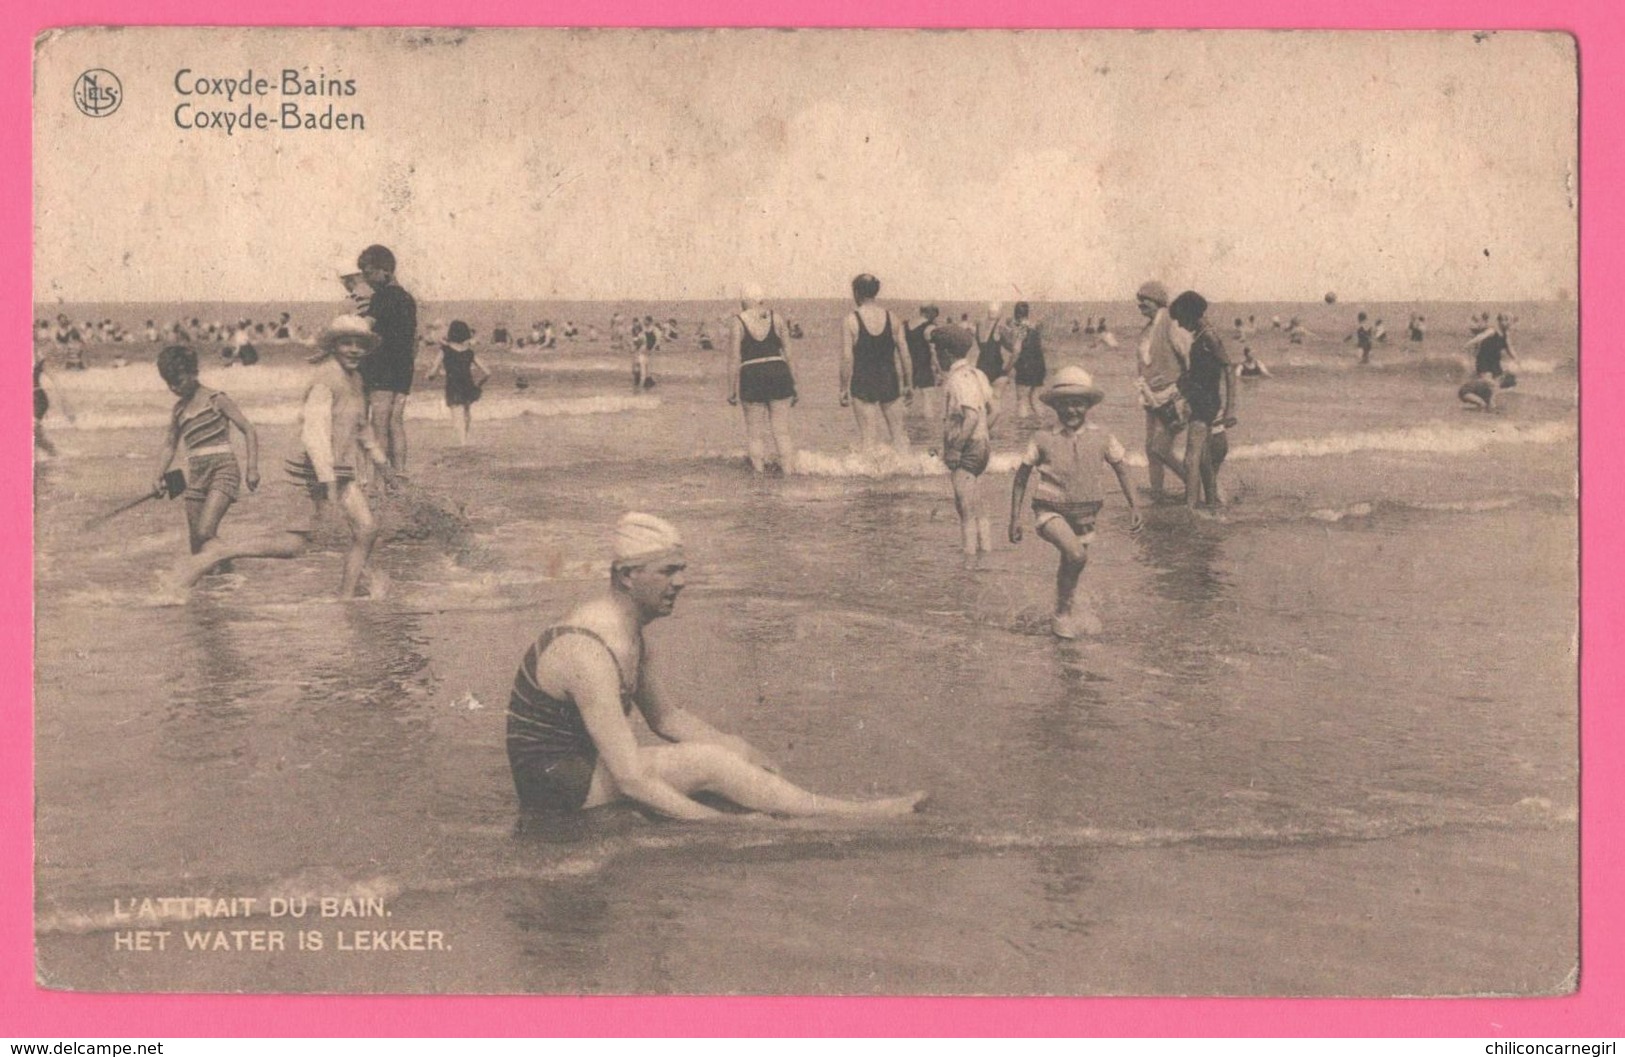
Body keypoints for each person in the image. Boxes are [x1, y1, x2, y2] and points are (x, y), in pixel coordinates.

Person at [505, 513, 927, 819]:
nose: (681, 583)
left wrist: (738, 748)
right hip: (555, 791)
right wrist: (724, 828)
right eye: (668, 571)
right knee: (709, 767)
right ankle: (856, 815)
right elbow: (631, 778)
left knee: (728, 757)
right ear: (628, 576)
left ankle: (816, 810)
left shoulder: (630, 635)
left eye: (682, 570)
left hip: (581, 774)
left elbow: (667, 717)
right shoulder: (588, 649)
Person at [168, 316, 400, 597]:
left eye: (359, 344)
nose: (353, 350)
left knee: (364, 529)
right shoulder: (326, 379)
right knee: (301, 543)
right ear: (334, 346)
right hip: (317, 469)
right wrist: (326, 485)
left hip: (338, 469)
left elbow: (362, 428)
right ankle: (222, 551)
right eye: (346, 343)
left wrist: (384, 467)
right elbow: (314, 436)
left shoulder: (355, 378)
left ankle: (346, 596)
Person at [1009, 367, 1141, 639]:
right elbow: (1021, 478)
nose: (1072, 410)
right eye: (1065, 403)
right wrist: (1015, 518)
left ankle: (1064, 608)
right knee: (1076, 556)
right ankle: (1061, 614)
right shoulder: (1042, 437)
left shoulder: (1103, 436)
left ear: (1088, 405)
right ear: (1055, 405)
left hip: (1085, 514)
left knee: (1071, 563)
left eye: (1078, 403)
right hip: (1049, 510)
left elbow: (1122, 469)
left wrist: (1135, 506)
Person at [151, 345, 261, 557]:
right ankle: (218, 583)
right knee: (196, 545)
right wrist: (158, 476)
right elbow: (170, 445)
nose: (174, 388)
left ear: (194, 373)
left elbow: (248, 429)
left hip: (224, 470)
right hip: (196, 476)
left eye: (179, 381)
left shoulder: (216, 399)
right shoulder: (179, 410)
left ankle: (234, 559)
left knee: (205, 532)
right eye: (169, 384)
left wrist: (252, 468)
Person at [1169, 291, 1236, 511]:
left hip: (1207, 402)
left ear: (1190, 313)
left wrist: (1230, 409)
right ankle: (1211, 505)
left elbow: (1228, 369)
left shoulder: (1209, 336)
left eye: (1179, 317)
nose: (1178, 323)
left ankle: (1191, 510)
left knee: (1192, 457)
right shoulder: (1200, 336)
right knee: (1204, 460)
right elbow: (1204, 370)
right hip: (1201, 399)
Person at [357, 244, 418, 473]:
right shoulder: (408, 299)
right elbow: (413, 339)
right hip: (403, 367)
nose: (366, 278)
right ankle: (400, 476)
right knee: (395, 423)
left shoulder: (381, 297)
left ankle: (380, 482)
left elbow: (365, 327)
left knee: (378, 426)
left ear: (385, 271)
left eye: (369, 272)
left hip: (382, 367)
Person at [728, 285, 799, 475]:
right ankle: (788, 474)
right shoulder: (777, 318)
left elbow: (734, 358)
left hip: (751, 373)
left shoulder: (738, 321)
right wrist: (795, 384)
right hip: (778, 370)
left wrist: (731, 389)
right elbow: (789, 354)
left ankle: (758, 476)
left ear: (745, 301)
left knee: (754, 434)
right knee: (782, 431)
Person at [839, 273, 912, 454]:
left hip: (863, 381)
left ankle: (870, 479)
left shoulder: (851, 320)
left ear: (856, 293)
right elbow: (905, 355)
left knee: (868, 438)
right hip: (889, 379)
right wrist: (908, 383)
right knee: (898, 435)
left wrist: (843, 388)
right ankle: (906, 474)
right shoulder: (892, 318)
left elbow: (847, 358)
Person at [1133, 280, 1190, 501]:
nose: (1140, 305)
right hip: (1151, 396)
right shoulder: (1148, 328)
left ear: (1157, 300)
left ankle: (1193, 483)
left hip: (1172, 395)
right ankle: (1157, 491)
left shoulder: (1171, 323)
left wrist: (1186, 394)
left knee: (1160, 448)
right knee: (1150, 448)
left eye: (1144, 300)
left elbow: (1187, 357)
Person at [941, 329, 995, 564]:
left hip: (966, 447)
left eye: (936, 351)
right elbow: (996, 410)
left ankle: (969, 559)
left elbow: (970, 416)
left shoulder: (956, 379)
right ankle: (985, 552)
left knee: (965, 508)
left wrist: (956, 448)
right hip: (982, 445)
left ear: (946, 353)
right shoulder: (978, 374)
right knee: (978, 505)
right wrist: (983, 434)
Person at [423, 320, 489, 446]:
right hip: (468, 385)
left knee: (457, 416)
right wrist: (478, 385)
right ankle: (465, 440)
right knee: (466, 413)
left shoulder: (445, 350)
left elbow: (433, 372)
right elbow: (487, 372)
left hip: (453, 386)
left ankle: (463, 443)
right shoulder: (469, 352)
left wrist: (428, 377)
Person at [1459, 313, 1519, 412]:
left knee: (1496, 384)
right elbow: (1481, 336)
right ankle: (1484, 402)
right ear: (1499, 322)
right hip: (1484, 361)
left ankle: (1488, 403)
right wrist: (1468, 344)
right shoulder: (1492, 331)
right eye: (1505, 320)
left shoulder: (1506, 335)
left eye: (1508, 320)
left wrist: (1517, 360)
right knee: (1488, 383)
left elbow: (1510, 349)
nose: (1507, 323)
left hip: (1495, 362)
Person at [1008, 301, 1047, 421]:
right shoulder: (1034, 326)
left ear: (1015, 314)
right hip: (1039, 366)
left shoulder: (1019, 328)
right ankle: (1042, 422)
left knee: (1021, 400)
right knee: (1034, 399)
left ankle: (1022, 430)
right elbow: (1041, 347)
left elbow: (1016, 350)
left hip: (1025, 366)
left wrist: (1007, 368)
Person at [33, 345, 74, 457]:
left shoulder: (38, 358)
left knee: (32, 429)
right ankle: (54, 455)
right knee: (36, 435)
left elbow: (55, 380)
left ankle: (56, 456)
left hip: (38, 399)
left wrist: (65, 403)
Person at [903, 304, 942, 421]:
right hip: (924, 365)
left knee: (906, 401)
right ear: (932, 314)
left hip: (908, 366)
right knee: (928, 401)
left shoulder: (905, 325)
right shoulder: (929, 327)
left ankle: (905, 429)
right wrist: (939, 370)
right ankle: (928, 432)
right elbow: (933, 351)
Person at [974, 302, 1011, 423]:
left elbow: (981, 345)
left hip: (980, 366)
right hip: (995, 366)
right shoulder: (999, 327)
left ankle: (980, 428)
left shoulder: (979, 325)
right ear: (999, 313)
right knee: (995, 404)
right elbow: (1010, 347)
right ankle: (988, 432)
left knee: (982, 403)